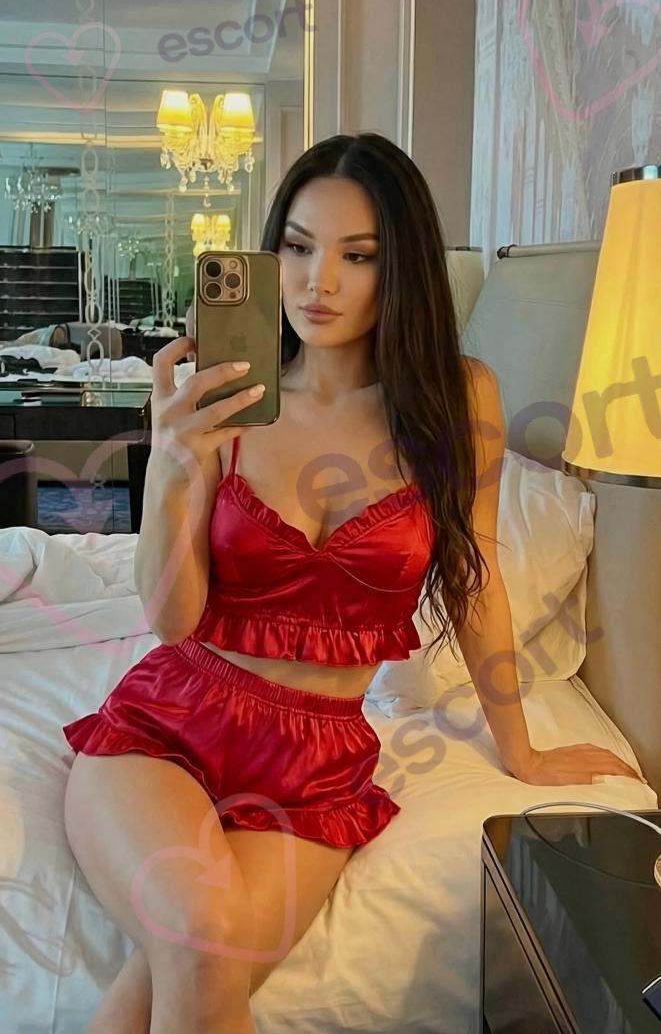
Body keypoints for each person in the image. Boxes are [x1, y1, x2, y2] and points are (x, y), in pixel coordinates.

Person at [61, 132, 641, 1034]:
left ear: (399, 267)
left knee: (196, 958)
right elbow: (172, 621)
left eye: (357, 255)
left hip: (315, 763)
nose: (316, 281)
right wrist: (171, 466)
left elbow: (475, 579)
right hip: (169, 725)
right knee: (202, 940)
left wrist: (522, 751)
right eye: (297, 247)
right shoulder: (229, 397)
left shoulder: (458, 398)